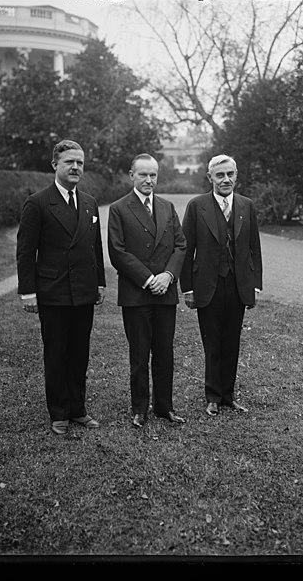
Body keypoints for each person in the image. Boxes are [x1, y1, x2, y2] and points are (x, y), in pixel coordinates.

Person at [16, 139, 106, 436]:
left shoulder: (90, 202)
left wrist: (100, 283)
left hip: (83, 291)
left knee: (80, 352)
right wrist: (28, 292)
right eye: (70, 162)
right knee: (56, 353)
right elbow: (26, 251)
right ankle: (59, 412)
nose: (76, 167)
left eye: (80, 162)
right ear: (55, 165)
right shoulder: (38, 202)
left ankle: (78, 409)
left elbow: (95, 246)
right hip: (53, 292)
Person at [108, 153, 187, 428]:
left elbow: (181, 246)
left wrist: (167, 276)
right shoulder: (119, 208)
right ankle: (140, 408)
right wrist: (148, 279)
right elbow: (117, 252)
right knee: (139, 354)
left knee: (165, 352)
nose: (149, 180)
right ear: (131, 175)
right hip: (137, 293)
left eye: (153, 175)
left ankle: (165, 407)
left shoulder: (167, 207)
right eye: (143, 175)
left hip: (165, 292)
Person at [180, 154, 262, 416]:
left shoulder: (246, 206)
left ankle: (228, 395)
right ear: (210, 178)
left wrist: (255, 285)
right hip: (207, 286)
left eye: (230, 174)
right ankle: (212, 396)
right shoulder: (197, 206)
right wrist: (188, 288)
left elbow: (254, 248)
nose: (225, 180)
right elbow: (185, 248)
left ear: (236, 176)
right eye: (220, 175)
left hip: (237, 287)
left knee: (232, 342)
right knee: (212, 341)